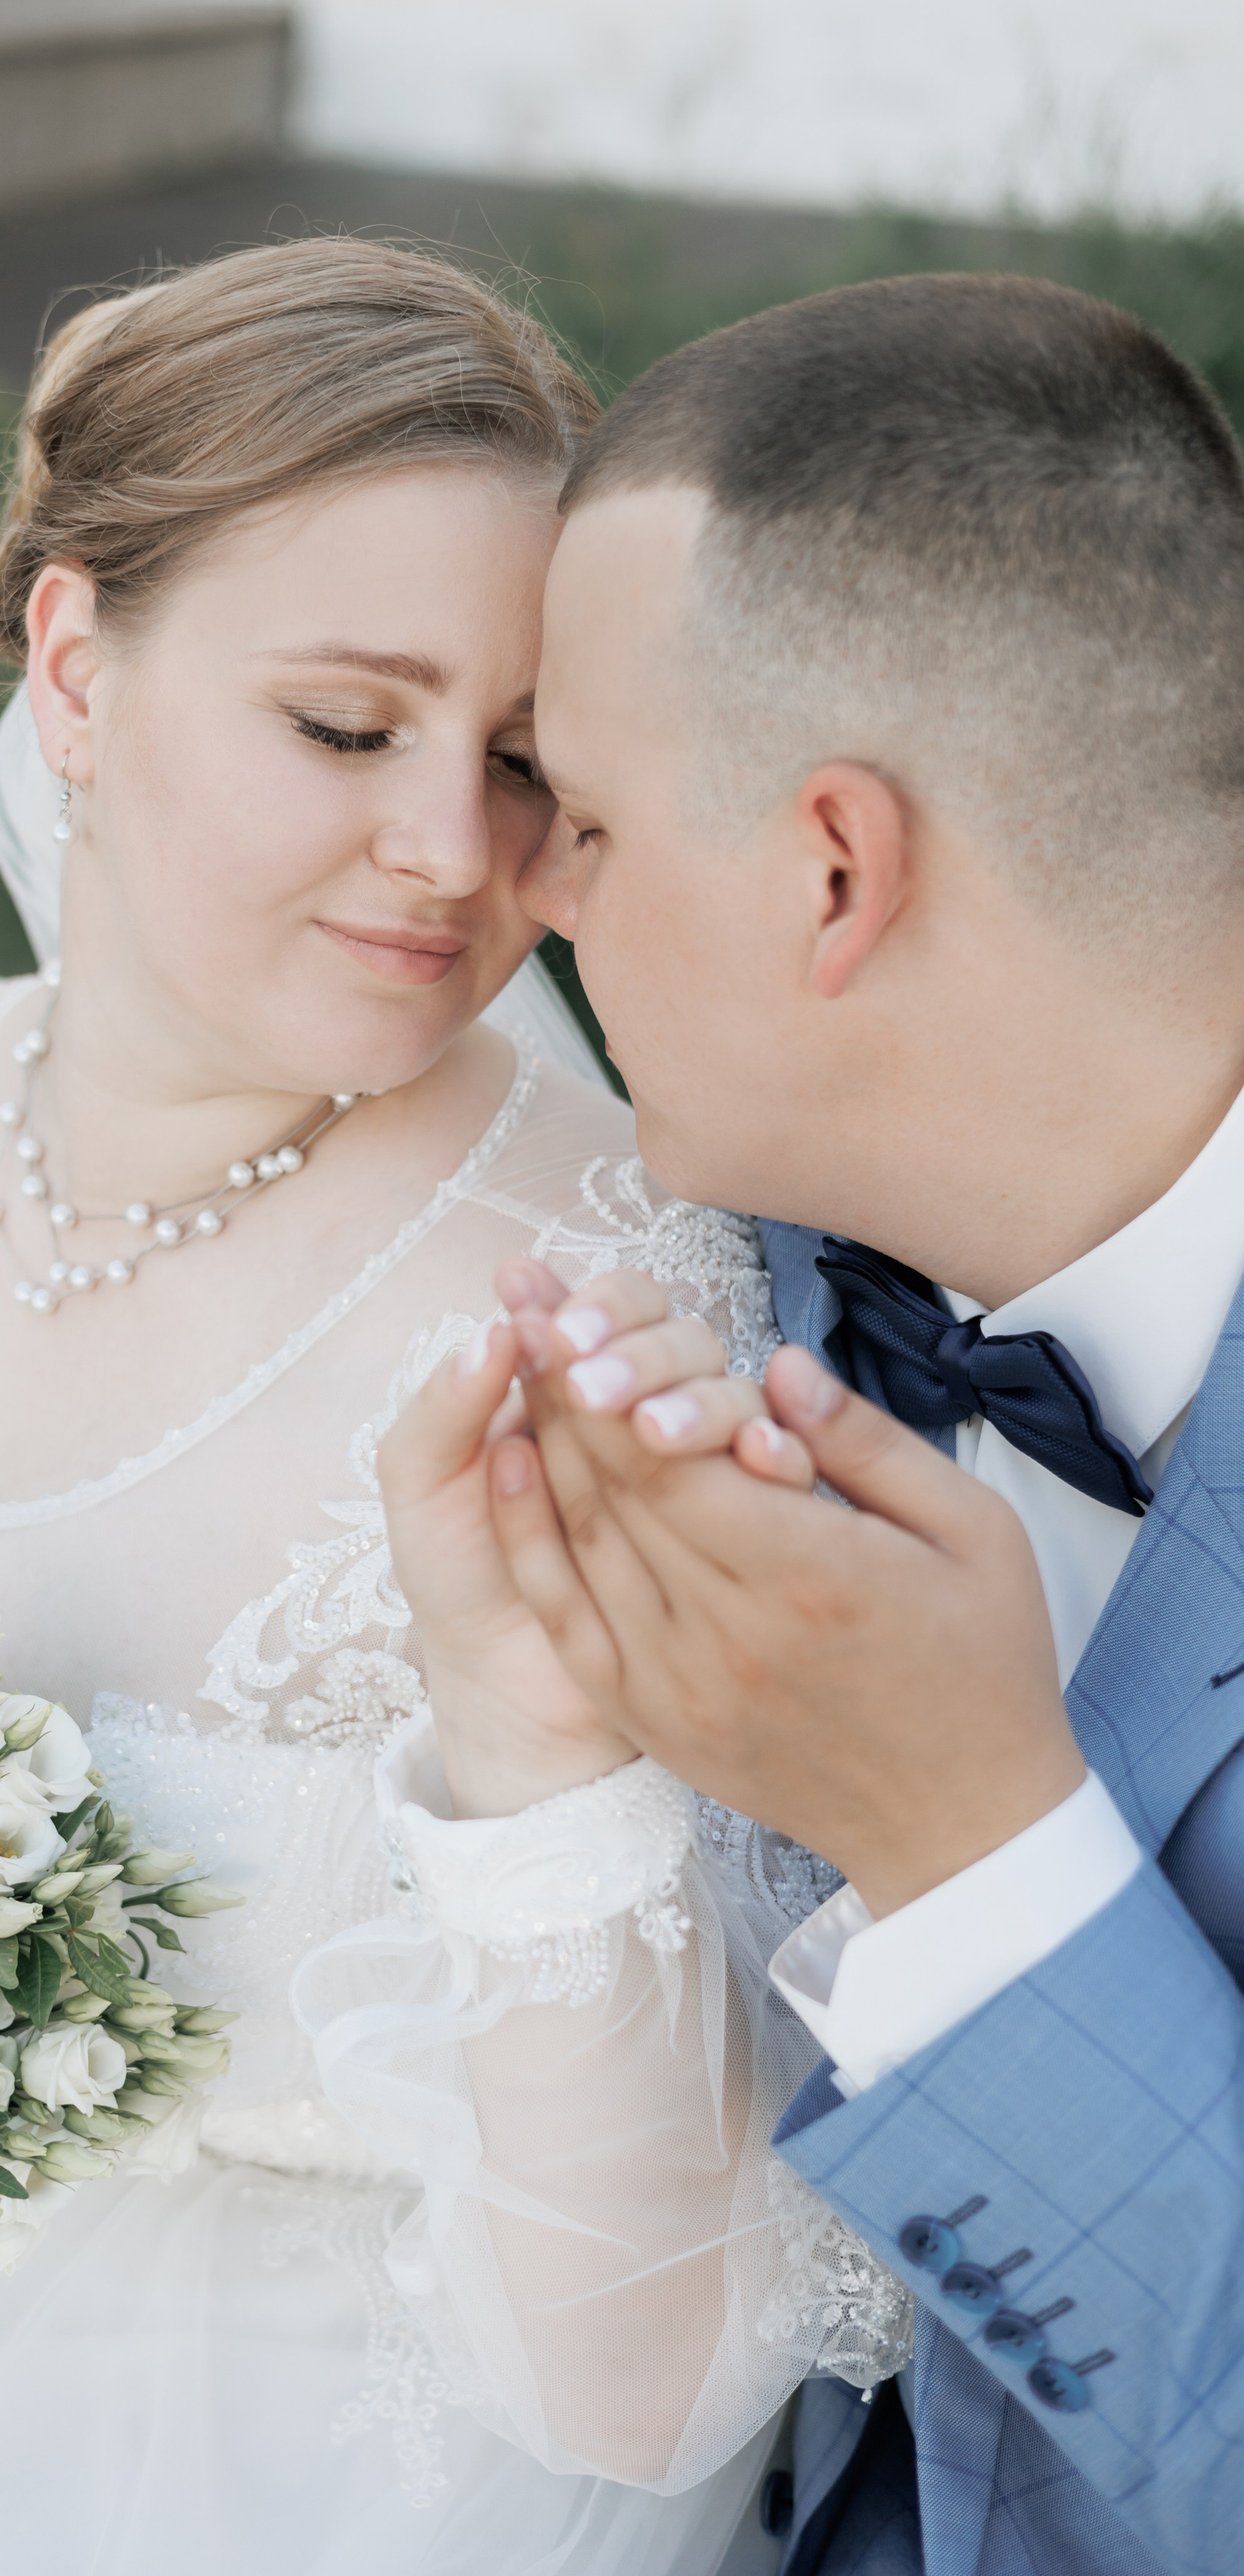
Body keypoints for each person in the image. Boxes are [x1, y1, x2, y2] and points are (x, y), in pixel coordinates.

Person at [0, 239, 899, 2575]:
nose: (458, 857)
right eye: (350, 728)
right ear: (75, 664)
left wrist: (533, 1753)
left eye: (524, 763)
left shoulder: (604, 1319)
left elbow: (666, 2371)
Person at [369, 273, 1244, 2574]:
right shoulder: (695, 1310)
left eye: (590, 818)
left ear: (836, 873)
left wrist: (972, 1850)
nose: (519, 887)